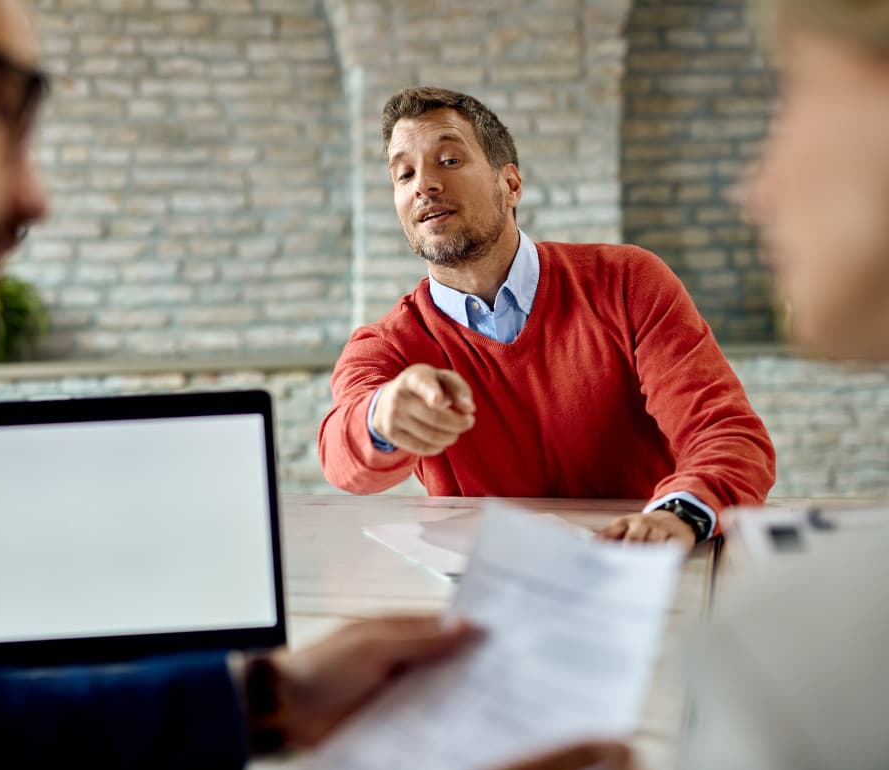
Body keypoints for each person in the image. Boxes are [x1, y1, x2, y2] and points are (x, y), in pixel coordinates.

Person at [0, 1, 644, 770]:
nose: (36, 199)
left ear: (509, 184)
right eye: (8, 109)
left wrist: (265, 699)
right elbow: (350, 437)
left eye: (447, 162)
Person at [319, 86, 777, 551]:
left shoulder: (628, 282)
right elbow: (340, 455)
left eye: (449, 161)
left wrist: (678, 515)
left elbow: (727, 433)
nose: (424, 185)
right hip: (494, 586)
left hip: (650, 564)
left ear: (510, 185)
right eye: (404, 174)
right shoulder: (386, 347)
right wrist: (381, 420)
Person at [682, 0, 889, 770]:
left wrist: (683, 505)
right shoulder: (396, 330)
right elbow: (347, 433)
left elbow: (727, 433)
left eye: (790, 94)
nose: (756, 189)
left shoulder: (805, 661)